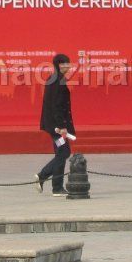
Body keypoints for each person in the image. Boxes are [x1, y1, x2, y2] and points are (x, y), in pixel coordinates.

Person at [34, 54, 76, 197]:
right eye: (64, 63)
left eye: (68, 63)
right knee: (64, 152)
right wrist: (62, 127)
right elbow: (57, 106)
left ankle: (57, 188)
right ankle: (42, 176)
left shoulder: (54, 79)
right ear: (58, 65)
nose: (67, 66)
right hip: (57, 127)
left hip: (53, 125)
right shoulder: (58, 81)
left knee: (61, 153)